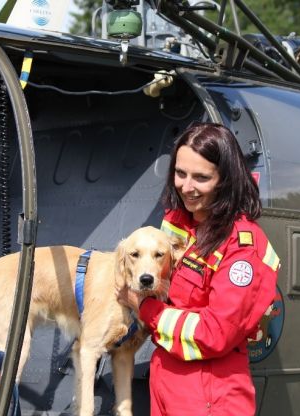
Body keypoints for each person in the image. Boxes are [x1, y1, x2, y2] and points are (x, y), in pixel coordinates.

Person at [118, 122, 279, 416]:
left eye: (201, 178)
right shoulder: (179, 223)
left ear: (225, 181)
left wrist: (146, 309)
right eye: (180, 174)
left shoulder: (242, 248)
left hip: (210, 393)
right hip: (167, 379)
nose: (186, 187)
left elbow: (214, 333)